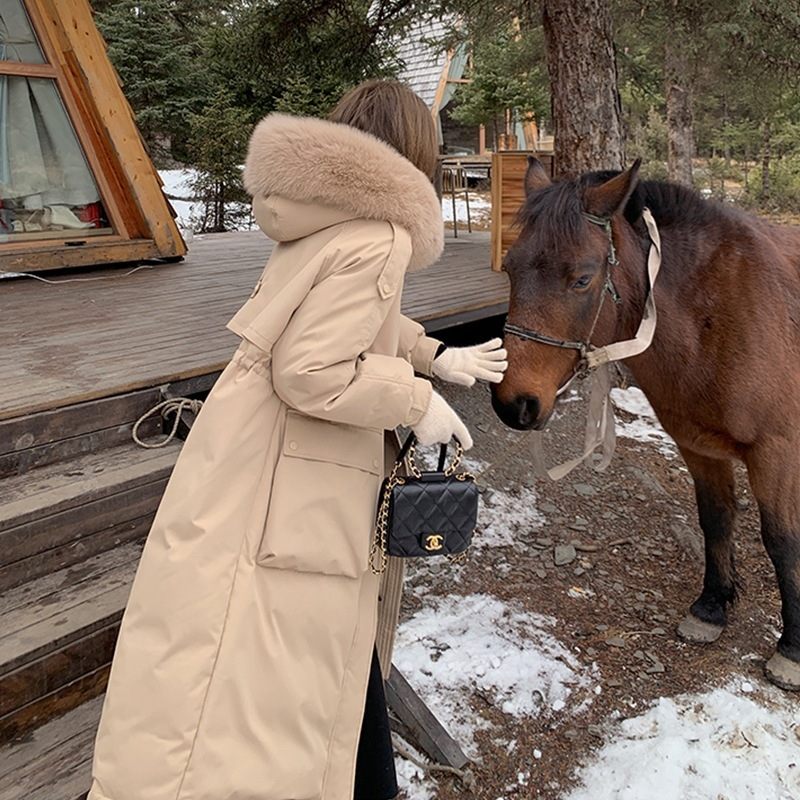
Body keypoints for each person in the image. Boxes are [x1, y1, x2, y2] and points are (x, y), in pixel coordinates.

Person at [87, 79, 507, 800]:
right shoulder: (378, 236)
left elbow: (345, 321)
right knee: (284, 677)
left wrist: (433, 354)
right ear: (415, 154)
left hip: (256, 456)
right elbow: (312, 368)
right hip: (294, 482)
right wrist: (417, 403)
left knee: (288, 667)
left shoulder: (326, 219)